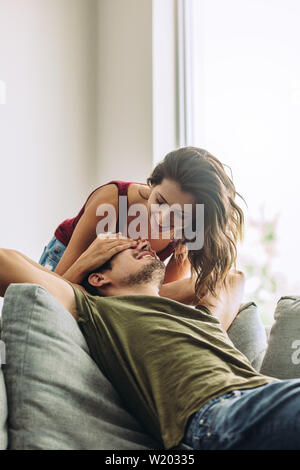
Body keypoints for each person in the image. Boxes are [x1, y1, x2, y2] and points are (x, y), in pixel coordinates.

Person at [2, 240, 300, 450]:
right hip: (218, 414)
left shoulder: (197, 319)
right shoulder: (97, 309)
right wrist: (83, 264)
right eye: (127, 247)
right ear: (98, 277)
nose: (144, 244)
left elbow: (232, 279)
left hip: (262, 396)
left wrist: (152, 289)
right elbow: (6, 261)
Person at [39, 147, 245, 304]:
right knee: (52, 303)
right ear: (152, 184)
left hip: (117, 285)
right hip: (66, 262)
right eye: (160, 201)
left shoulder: (188, 231)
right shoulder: (112, 201)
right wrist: (90, 258)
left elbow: (157, 298)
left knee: (217, 283)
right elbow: (58, 287)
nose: (162, 219)